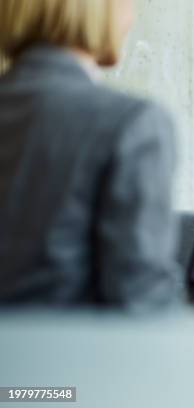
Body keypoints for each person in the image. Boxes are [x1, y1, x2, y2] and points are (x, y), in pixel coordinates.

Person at [0, 0, 181, 306]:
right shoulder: (130, 122)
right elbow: (143, 303)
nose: (131, 17)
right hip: (67, 352)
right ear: (100, 11)